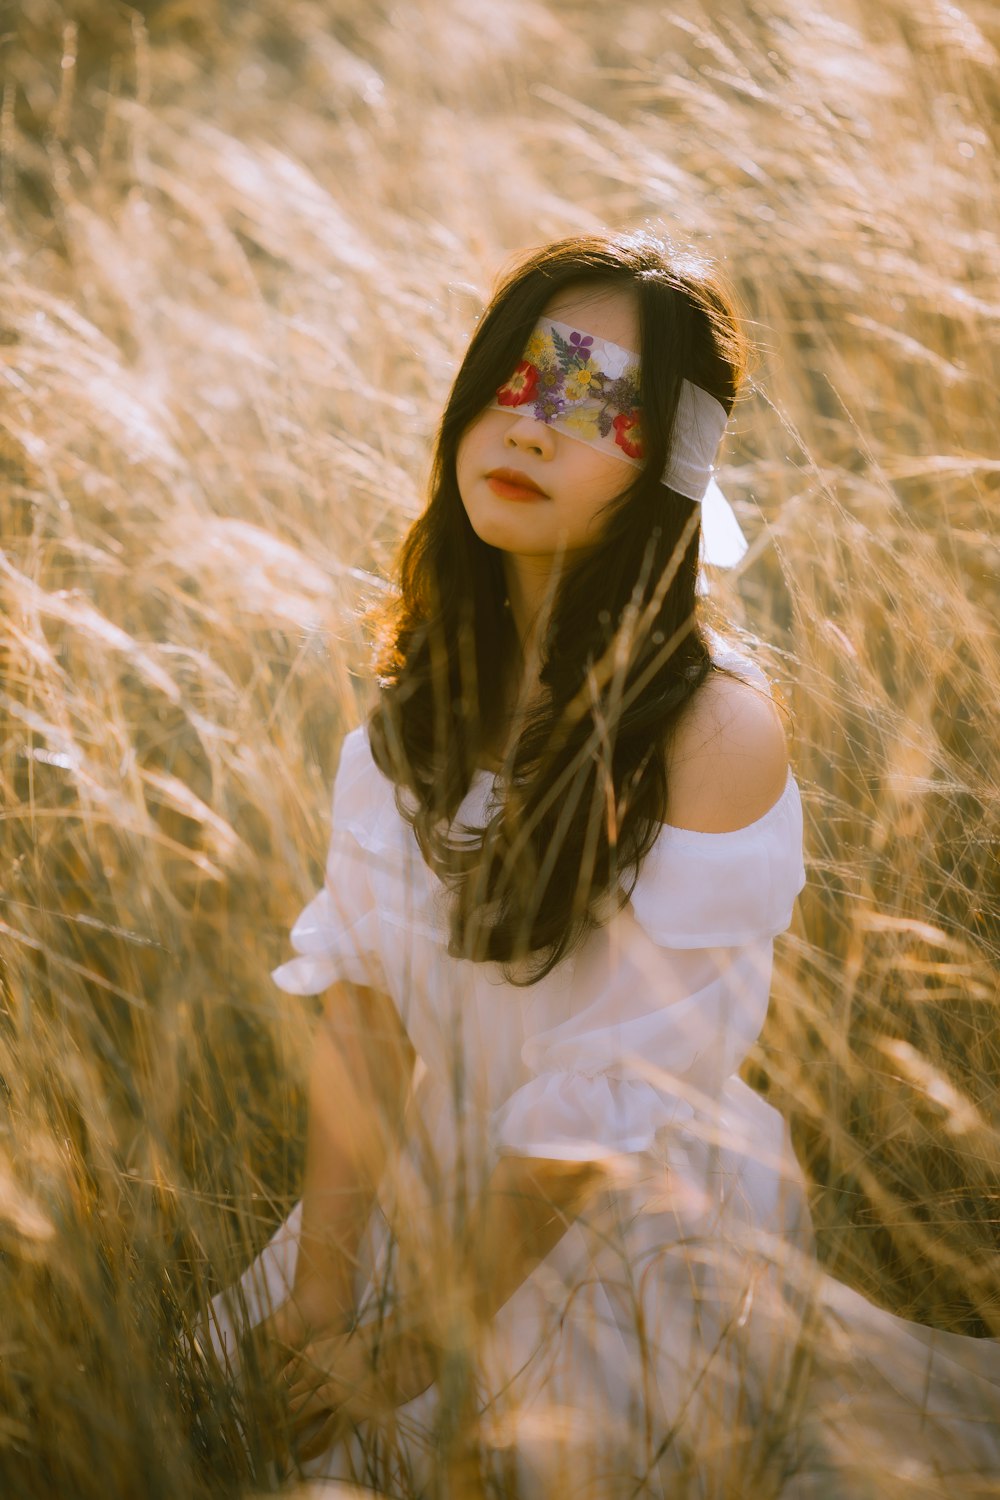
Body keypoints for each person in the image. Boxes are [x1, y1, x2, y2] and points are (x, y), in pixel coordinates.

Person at [203, 231, 1000, 1498]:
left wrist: (413, 1350)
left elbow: (605, 1123)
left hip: (630, 1243)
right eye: (514, 382)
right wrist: (319, 1296)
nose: (530, 428)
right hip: (426, 1197)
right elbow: (361, 1009)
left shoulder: (712, 732)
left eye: (593, 403)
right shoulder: (418, 700)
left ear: (670, 471)